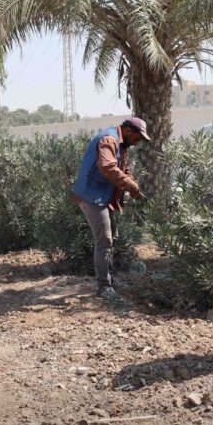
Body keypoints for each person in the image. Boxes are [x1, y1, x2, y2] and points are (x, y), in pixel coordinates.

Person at [73, 117, 149, 300]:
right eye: (137, 138)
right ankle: (103, 287)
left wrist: (132, 183)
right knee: (104, 239)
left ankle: (109, 279)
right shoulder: (109, 139)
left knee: (111, 236)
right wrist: (131, 186)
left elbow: (123, 168)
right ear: (129, 130)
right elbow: (107, 167)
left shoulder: (121, 144)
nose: (137, 143)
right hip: (91, 196)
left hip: (101, 197)